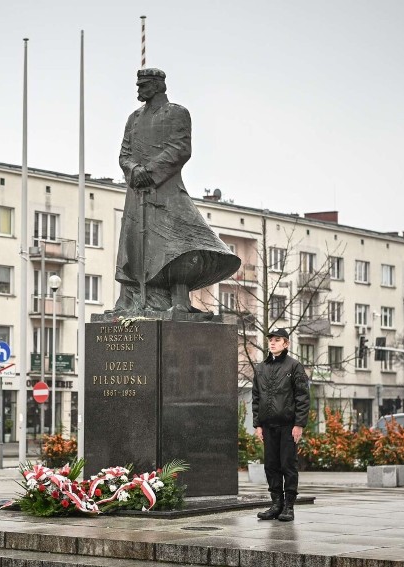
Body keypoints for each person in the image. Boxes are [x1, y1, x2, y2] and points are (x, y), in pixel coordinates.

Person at [110, 67, 240, 315]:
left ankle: (179, 299)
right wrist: (134, 170)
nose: (139, 90)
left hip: (166, 187)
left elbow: (181, 148)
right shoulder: (133, 118)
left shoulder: (177, 113)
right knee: (133, 244)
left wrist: (149, 171)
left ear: (158, 86)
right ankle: (130, 300)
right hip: (136, 191)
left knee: (177, 243)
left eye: (144, 85)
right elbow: (124, 153)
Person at [252, 327, 310, 522]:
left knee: (288, 465)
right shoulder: (261, 368)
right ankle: (276, 505)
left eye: (277, 340)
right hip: (268, 426)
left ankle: (289, 507)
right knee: (271, 466)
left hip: (288, 426)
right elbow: (256, 397)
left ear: (286, 343)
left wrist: (299, 424)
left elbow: (303, 396)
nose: (272, 343)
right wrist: (258, 425)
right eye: (271, 340)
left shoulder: (294, 367)